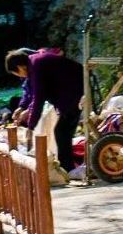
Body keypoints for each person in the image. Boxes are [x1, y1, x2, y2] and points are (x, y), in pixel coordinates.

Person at [5, 46, 85, 179]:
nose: (20, 76)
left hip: (74, 92)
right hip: (69, 92)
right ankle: (68, 168)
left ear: (20, 67)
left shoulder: (36, 66)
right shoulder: (34, 64)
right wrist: (22, 107)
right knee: (62, 132)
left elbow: (38, 97)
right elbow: (31, 91)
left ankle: (68, 169)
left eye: (17, 73)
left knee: (62, 132)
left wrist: (31, 126)